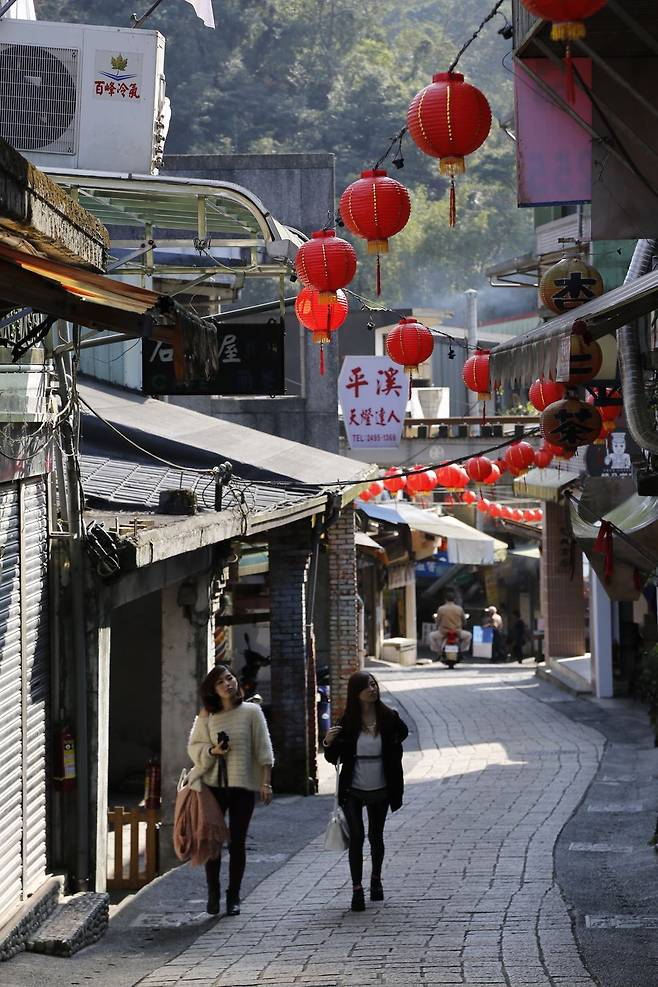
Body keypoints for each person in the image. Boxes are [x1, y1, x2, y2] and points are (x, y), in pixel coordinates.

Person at [188, 664, 274, 916]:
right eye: (220, 682)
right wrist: (213, 751)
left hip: (243, 786)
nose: (227, 684)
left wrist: (266, 783)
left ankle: (233, 895)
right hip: (213, 786)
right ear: (213, 690)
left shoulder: (252, 711)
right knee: (213, 842)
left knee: (237, 843)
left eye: (229, 678)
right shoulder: (207, 715)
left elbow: (264, 749)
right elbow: (194, 747)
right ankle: (213, 893)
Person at [323, 671, 408, 912]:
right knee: (357, 836)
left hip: (381, 786)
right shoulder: (347, 721)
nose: (372, 689)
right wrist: (328, 742)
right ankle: (357, 889)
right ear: (356, 692)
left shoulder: (389, 717)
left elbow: (402, 733)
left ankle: (376, 880)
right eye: (367, 686)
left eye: (374, 684)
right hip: (353, 787)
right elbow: (333, 757)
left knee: (376, 836)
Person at [428, 589, 472, 658]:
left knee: (431, 636)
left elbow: (438, 621)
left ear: (445, 599)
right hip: (457, 632)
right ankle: (461, 651)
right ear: (454, 599)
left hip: (443, 632)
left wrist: (438, 624)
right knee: (469, 635)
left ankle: (438, 652)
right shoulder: (459, 609)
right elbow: (464, 621)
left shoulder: (441, 609)